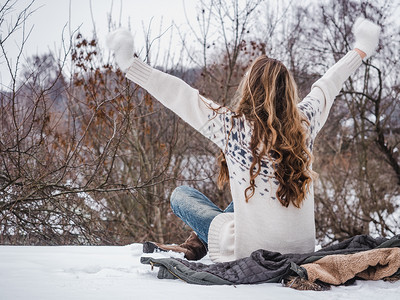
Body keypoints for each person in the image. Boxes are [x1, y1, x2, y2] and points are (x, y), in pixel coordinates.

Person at [107, 17, 380, 262]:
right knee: (244, 197)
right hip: (302, 250)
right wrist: (362, 49)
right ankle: (192, 246)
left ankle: (195, 246)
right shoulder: (305, 123)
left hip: (251, 250)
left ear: (249, 89)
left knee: (182, 196)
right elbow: (329, 83)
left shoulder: (233, 128)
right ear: (289, 91)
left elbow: (181, 95)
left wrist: (131, 65)